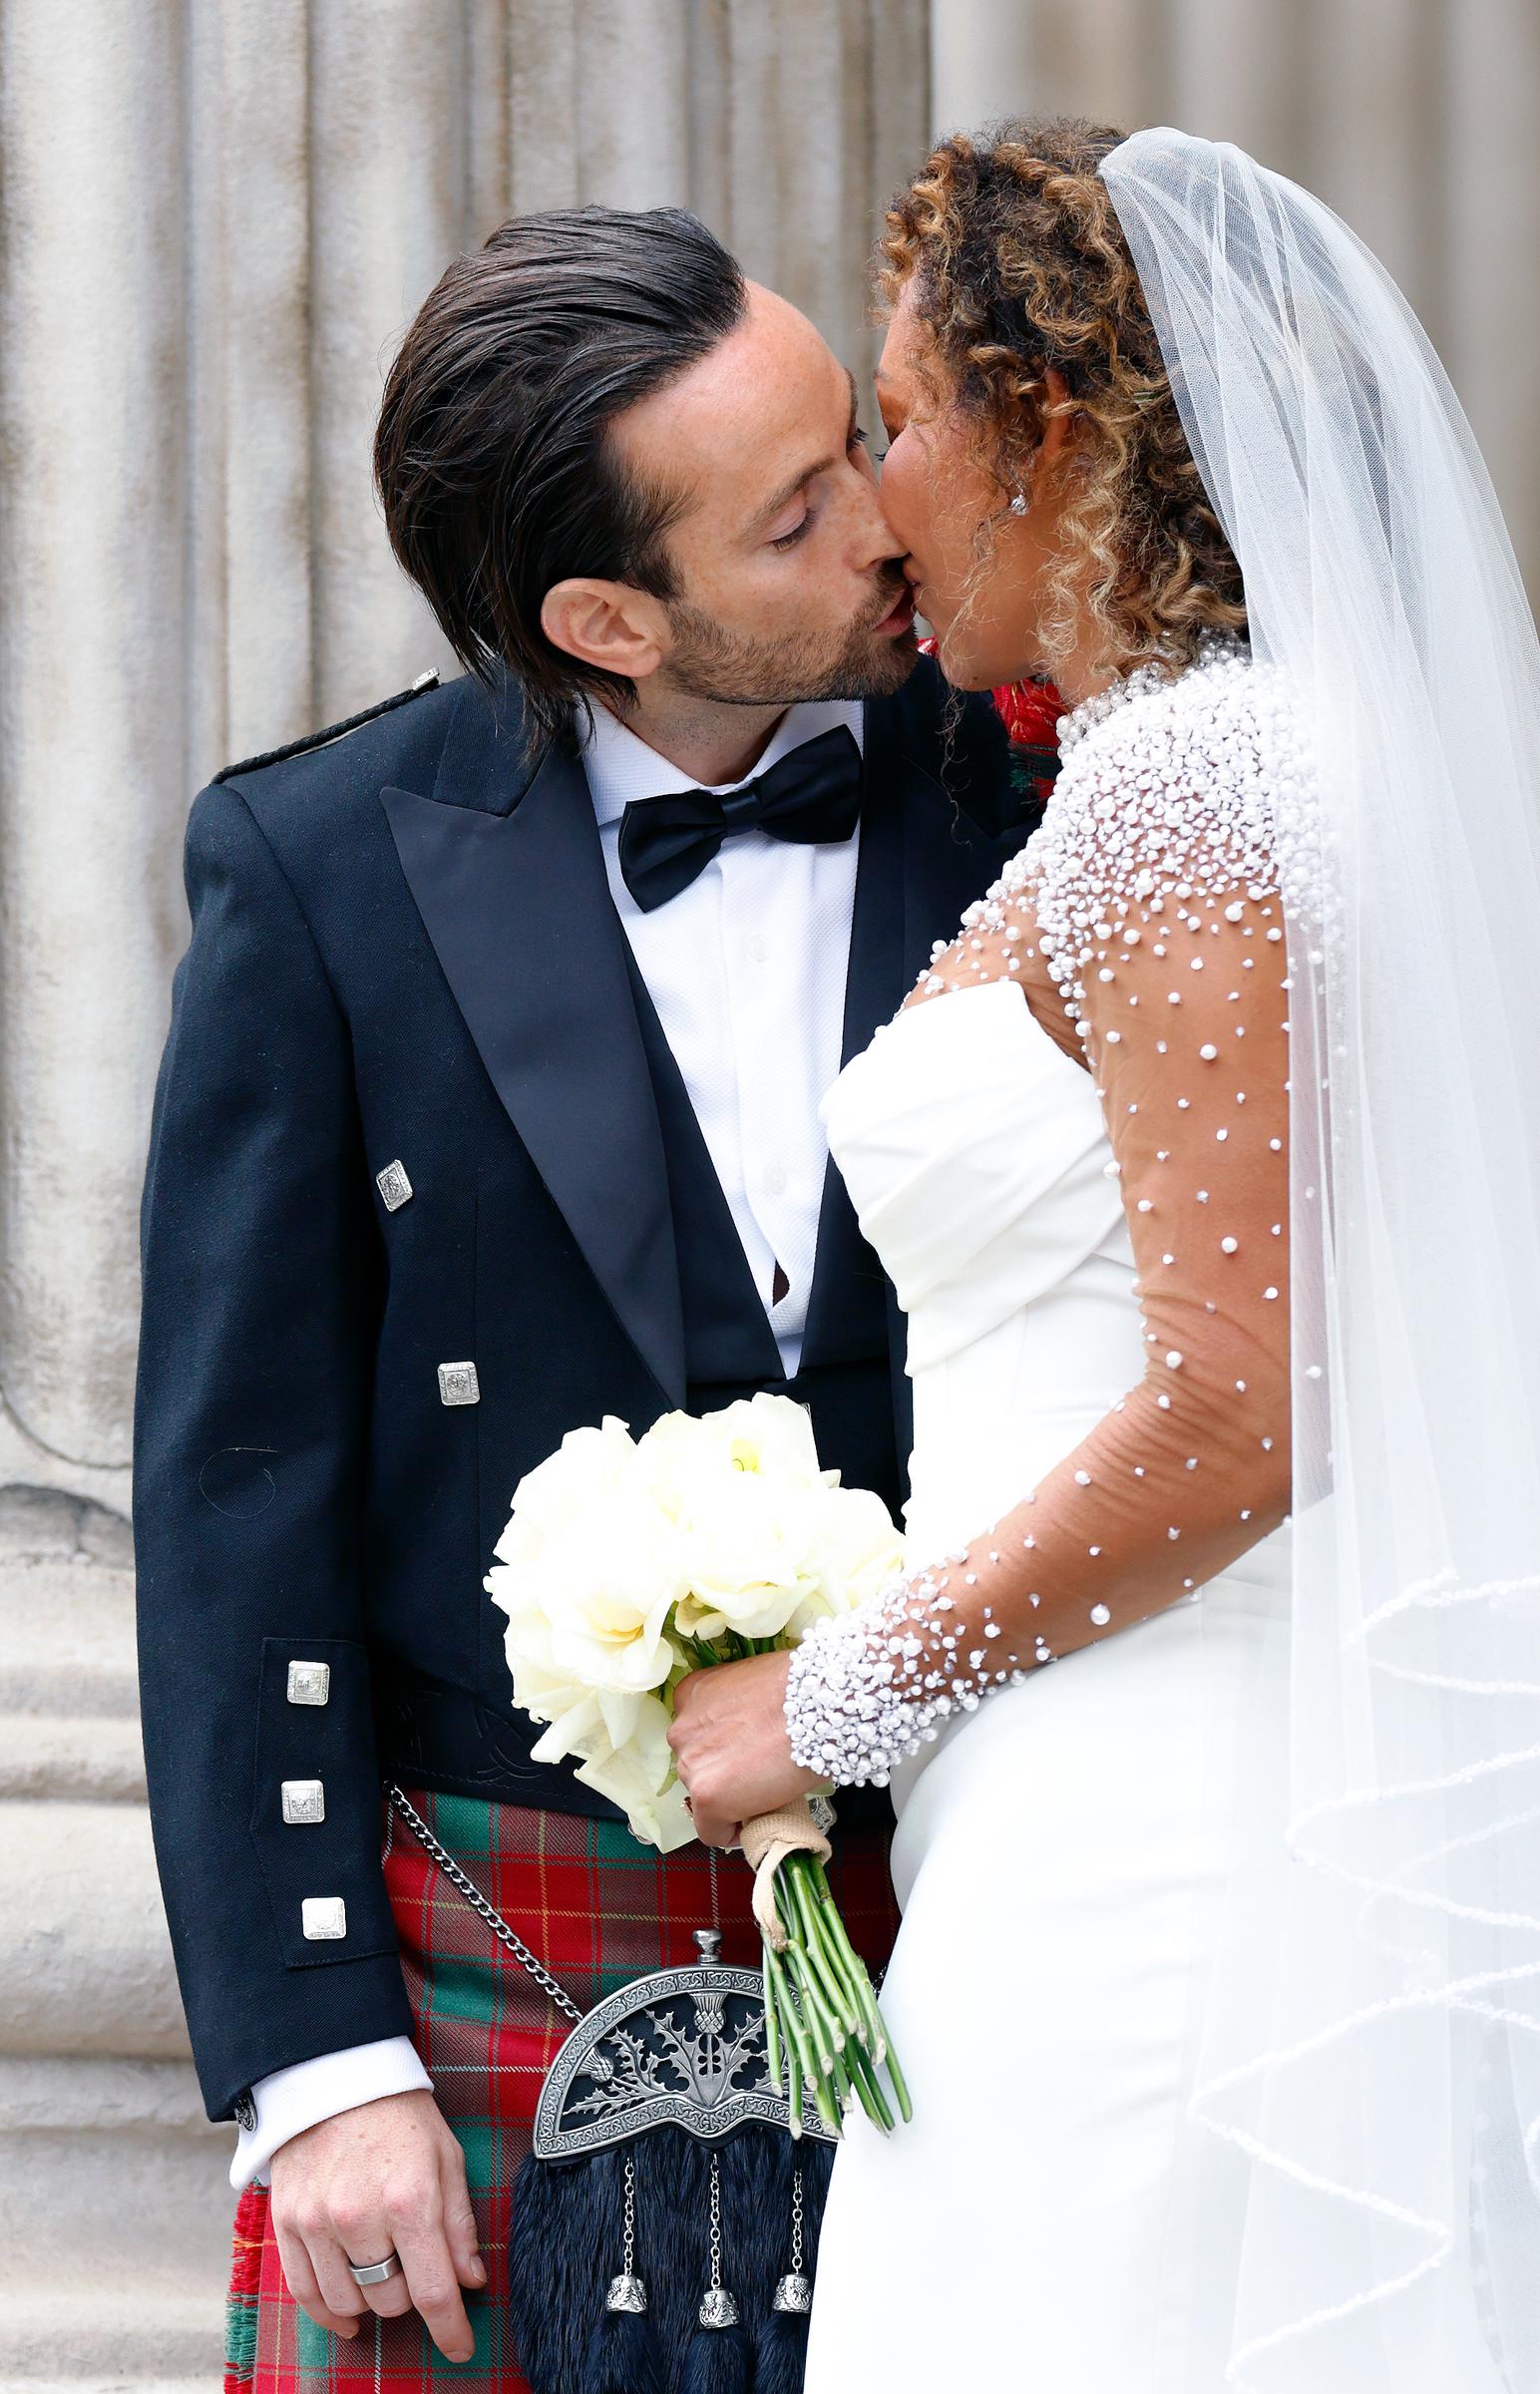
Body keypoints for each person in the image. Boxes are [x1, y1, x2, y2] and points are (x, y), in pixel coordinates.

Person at [669, 121, 1540, 2392]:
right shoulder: (1229, 767)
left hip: (1158, 1822)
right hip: (1093, 1780)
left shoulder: (1196, 790)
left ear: (1048, 432)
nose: (878, 501)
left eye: (905, 421)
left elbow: (1254, 1405)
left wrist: (829, 1705)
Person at [134, 204, 1029, 2386]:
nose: (893, 520)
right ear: (607, 614)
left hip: (998, 1893)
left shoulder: (1044, 788)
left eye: (867, 438)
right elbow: (239, 1488)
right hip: (501, 1906)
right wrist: (318, 2054)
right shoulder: (324, 864)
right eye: (802, 510)